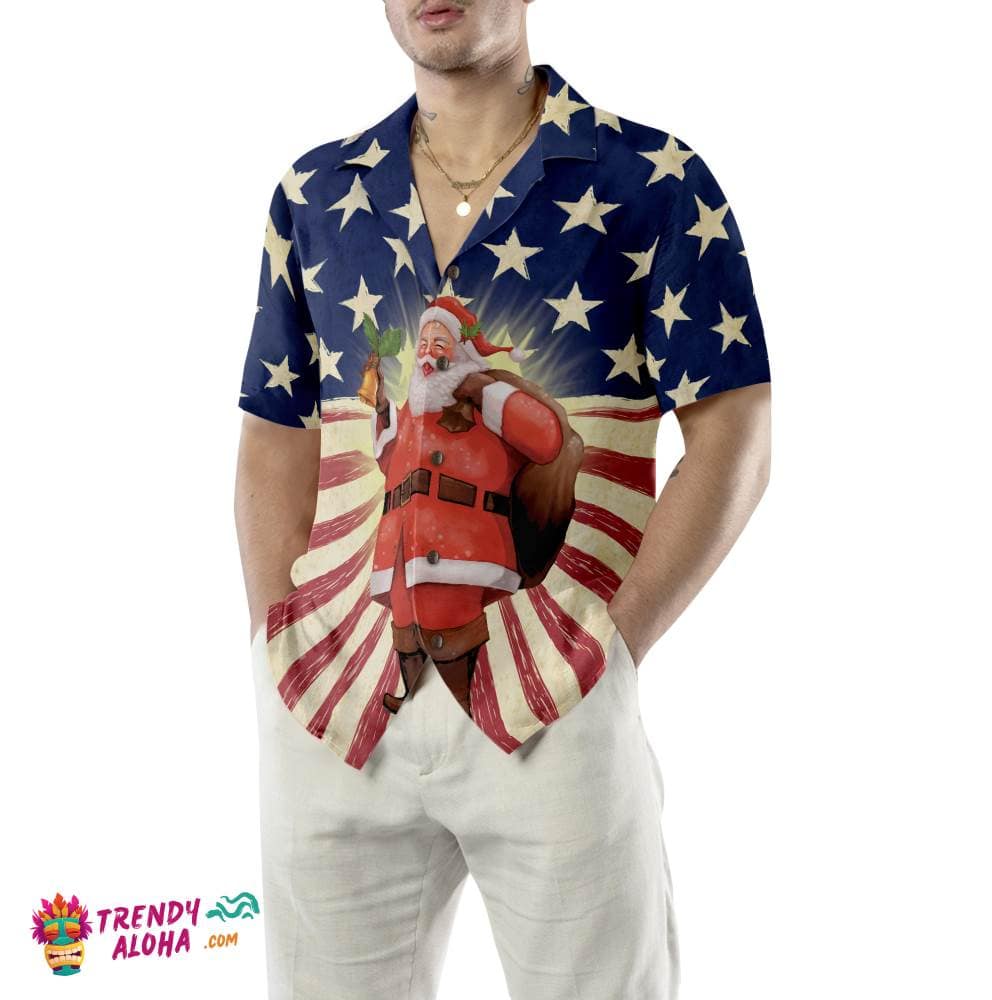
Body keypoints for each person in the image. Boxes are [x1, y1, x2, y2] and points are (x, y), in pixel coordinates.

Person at [234, 1, 771, 997]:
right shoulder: (315, 194)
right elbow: (276, 435)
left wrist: (615, 644)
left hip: (552, 693)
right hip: (339, 704)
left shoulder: (650, 182)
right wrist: (282, 637)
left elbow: (734, 427)